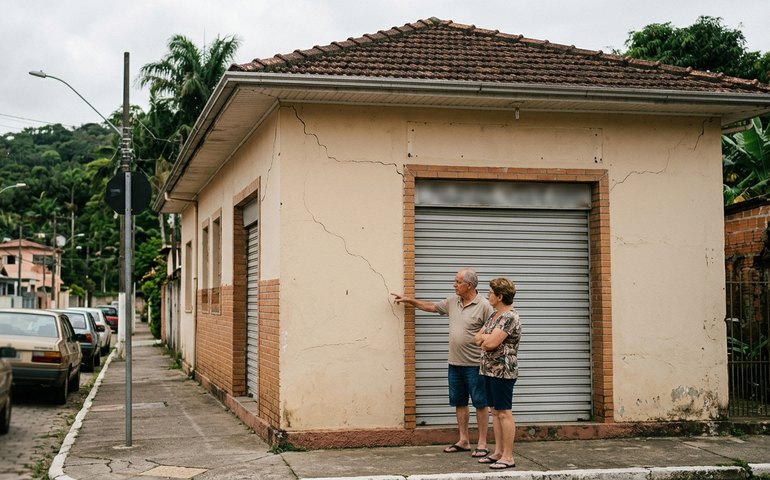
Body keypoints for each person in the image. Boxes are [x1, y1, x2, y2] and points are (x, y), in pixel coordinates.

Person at [392, 268, 492, 457]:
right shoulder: (453, 301)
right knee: (459, 402)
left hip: (476, 365)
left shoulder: (484, 305)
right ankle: (463, 440)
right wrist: (409, 300)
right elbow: (432, 306)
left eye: (457, 282)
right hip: (455, 363)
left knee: (480, 403)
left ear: (468, 285)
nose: (454, 285)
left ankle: (482, 443)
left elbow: (494, 331)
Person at [474, 277, 521, 470]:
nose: (488, 295)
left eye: (491, 293)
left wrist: (487, 340)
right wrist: (486, 339)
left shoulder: (510, 317)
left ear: (500, 296)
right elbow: (476, 338)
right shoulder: (494, 316)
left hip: (503, 371)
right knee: (495, 411)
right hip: (488, 369)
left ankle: (508, 456)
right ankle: (498, 452)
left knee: (504, 412)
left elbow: (491, 343)